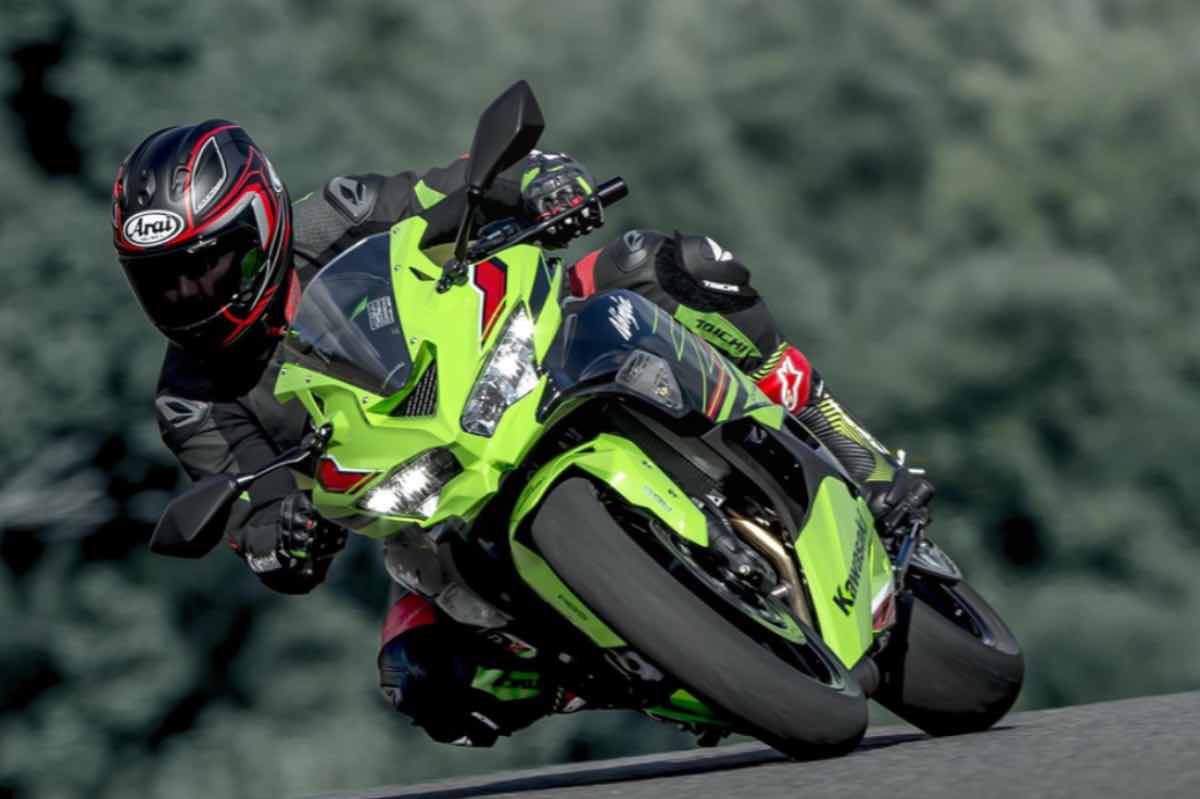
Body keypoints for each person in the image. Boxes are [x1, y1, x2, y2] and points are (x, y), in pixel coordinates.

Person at [114, 120, 933, 747]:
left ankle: (846, 443)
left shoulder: (339, 214)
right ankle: (633, 664)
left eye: (209, 264)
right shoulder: (192, 400)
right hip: (428, 511)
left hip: (513, 358)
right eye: (164, 281)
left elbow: (458, 187)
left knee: (665, 265)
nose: (189, 294)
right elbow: (250, 502)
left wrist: (541, 183)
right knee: (420, 677)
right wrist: (278, 537)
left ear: (263, 225)